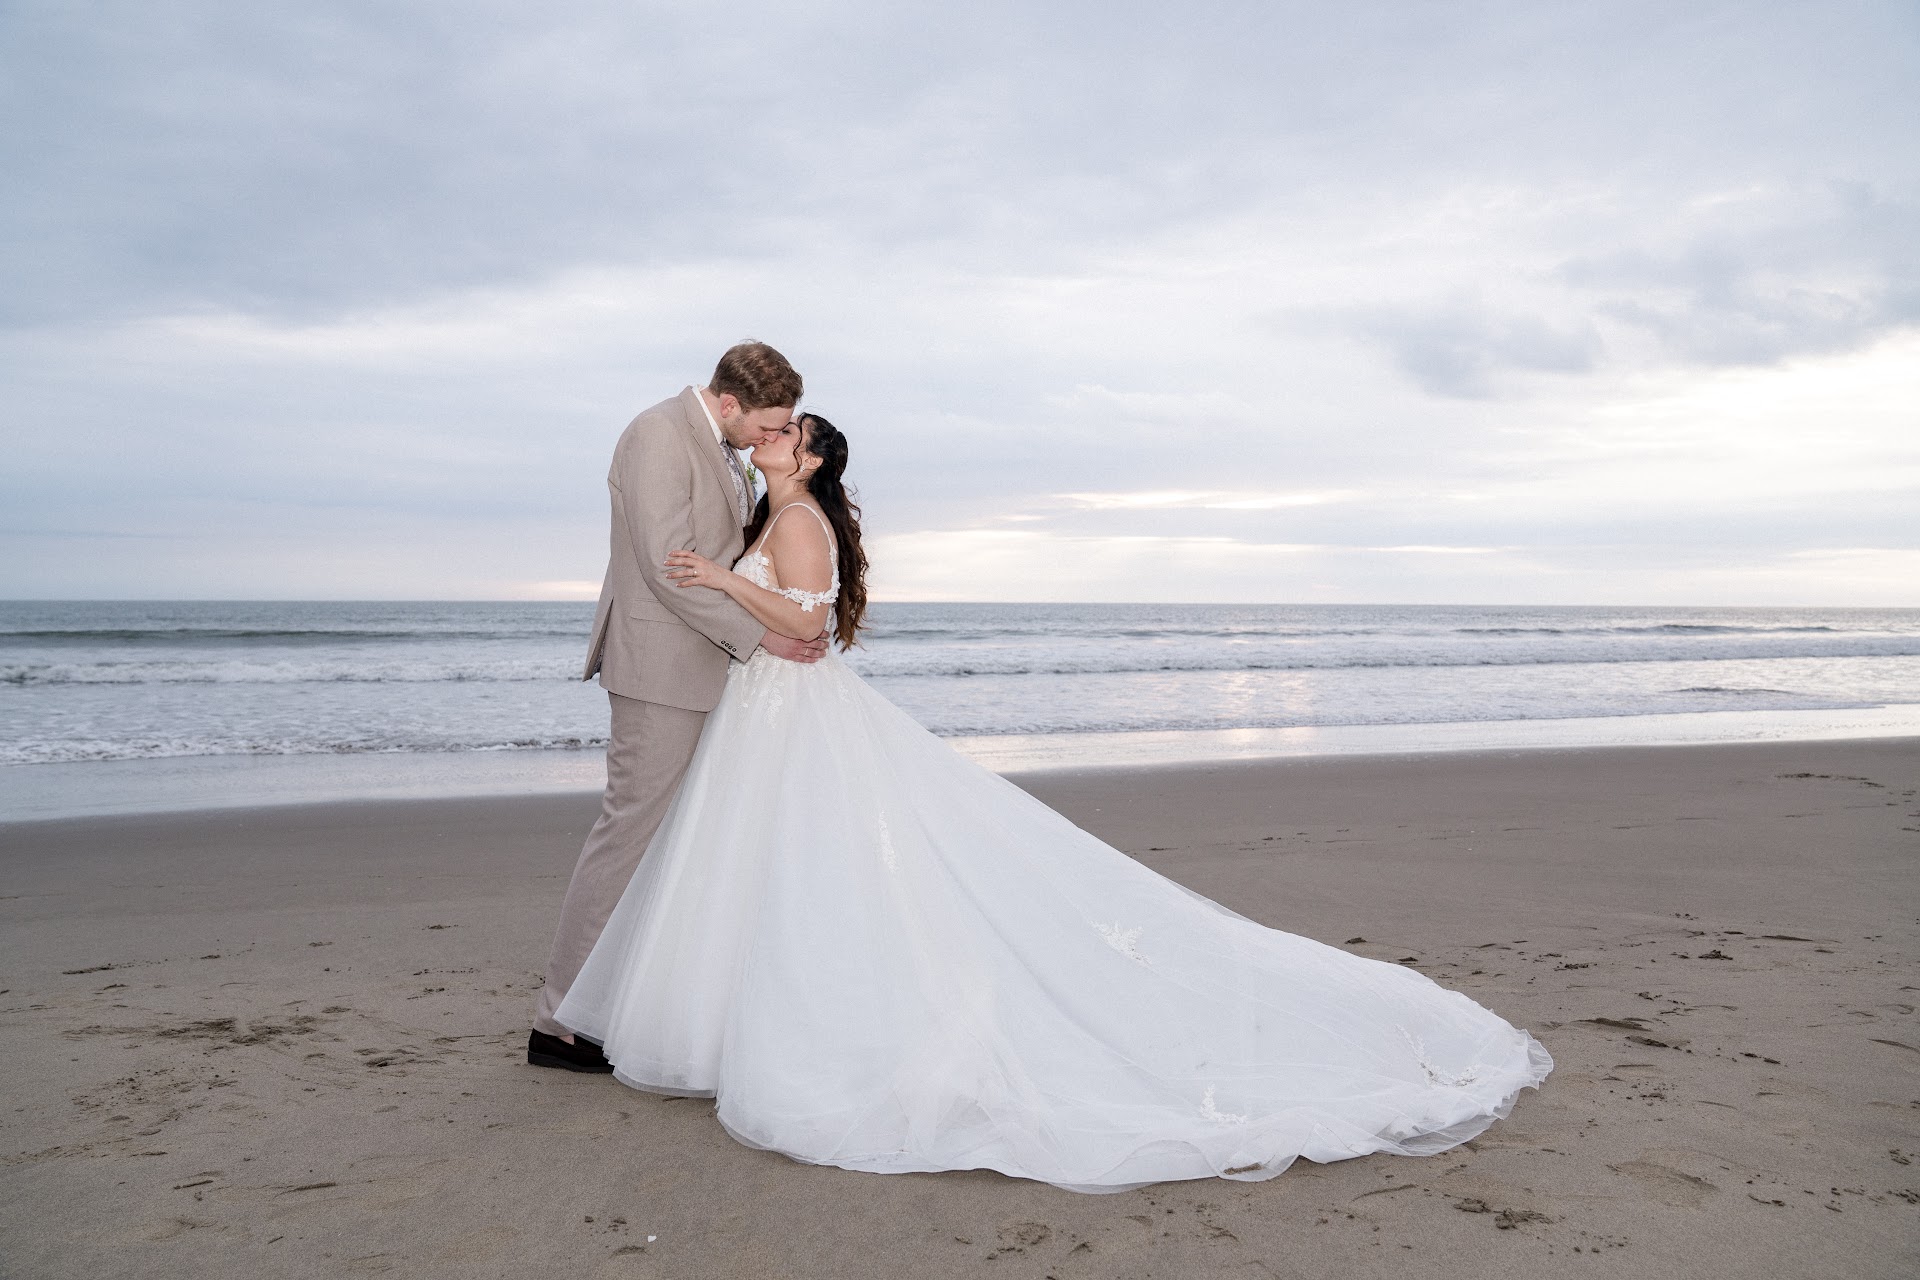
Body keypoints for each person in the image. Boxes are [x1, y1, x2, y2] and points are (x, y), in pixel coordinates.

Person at [555, 413, 1552, 1191]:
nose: (771, 435)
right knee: (774, 874)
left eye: (788, 432)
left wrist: (718, 584)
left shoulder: (803, 522)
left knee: (820, 870)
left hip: (793, 711)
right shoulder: (774, 514)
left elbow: (810, 625)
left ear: (810, 462)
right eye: (772, 428)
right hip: (765, 718)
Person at [528, 342, 830, 1072]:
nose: (770, 442)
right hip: (662, 670)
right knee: (629, 837)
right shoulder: (659, 435)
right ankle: (561, 1021)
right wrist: (760, 634)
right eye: (765, 428)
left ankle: (619, 1001)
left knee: (676, 845)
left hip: (706, 666)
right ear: (728, 403)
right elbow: (671, 570)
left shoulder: (721, 441)